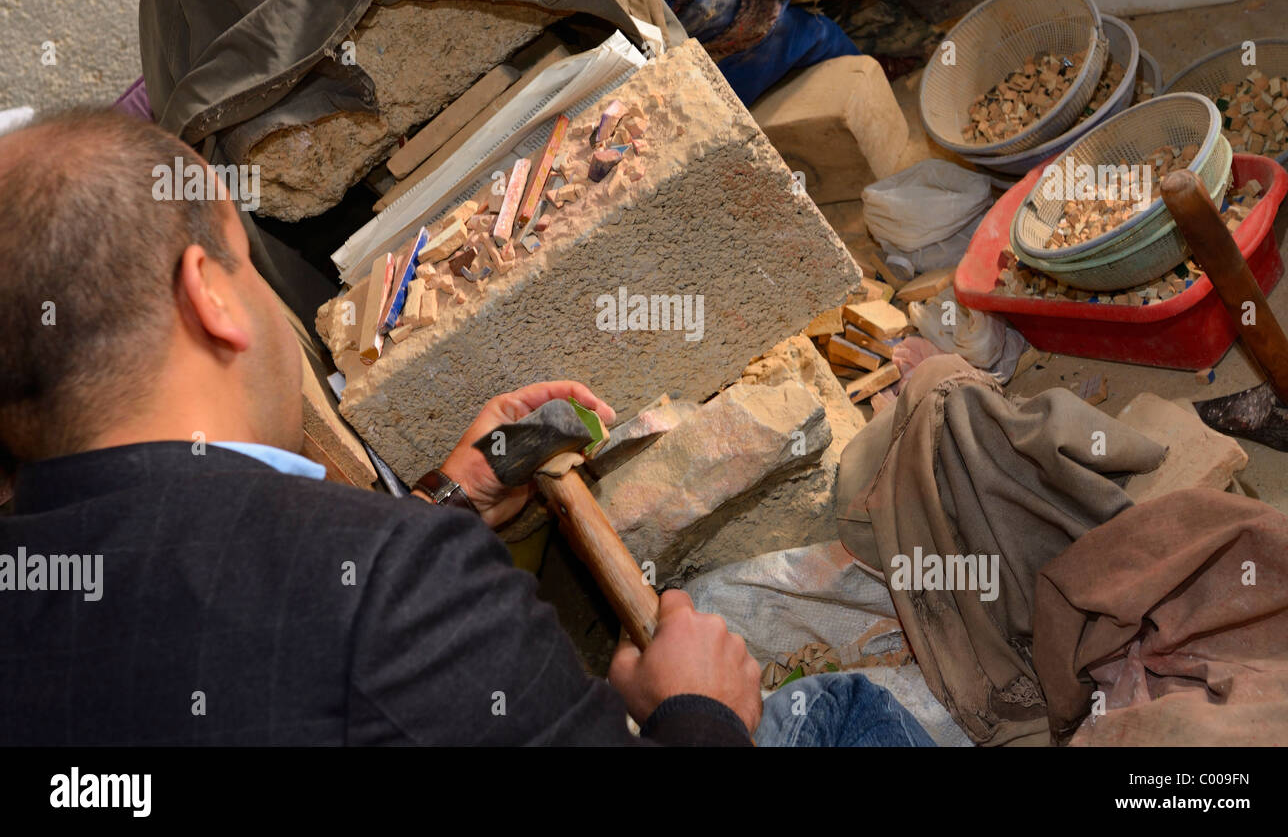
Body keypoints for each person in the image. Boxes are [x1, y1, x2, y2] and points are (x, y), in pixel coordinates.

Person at [0, 108, 761, 746]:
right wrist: (700, 713)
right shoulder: (400, 585)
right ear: (211, 297)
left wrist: (445, 499)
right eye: (246, 264)